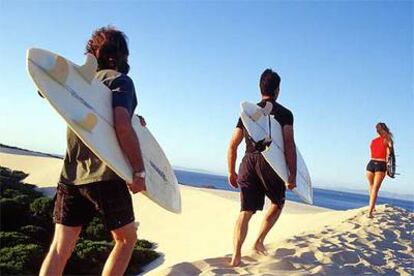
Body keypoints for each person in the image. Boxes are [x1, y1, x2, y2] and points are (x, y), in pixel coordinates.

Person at [40, 26, 146, 276]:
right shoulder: (120, 81)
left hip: (71, 176)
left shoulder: (78, 84)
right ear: (121, 56)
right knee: (125, 240)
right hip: (105, 175)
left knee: (59, 248)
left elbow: (100, 120)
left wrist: (136, 121)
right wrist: (139, 171)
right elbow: (120, 123)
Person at [227, 69, 297, 267]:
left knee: (245, 210)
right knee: (278, 202)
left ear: (261, 89)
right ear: (277, 90)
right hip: (270, 164)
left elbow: (233, 144)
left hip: (248, 162)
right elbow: (289, 143)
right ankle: (258, 241)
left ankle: (236, 256)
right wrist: (291, 173)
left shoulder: (247, 113)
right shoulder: (284, 114)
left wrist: (231, 171)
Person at [366, 122, 393, 218]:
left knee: (371, 186)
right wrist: (390, 170)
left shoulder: (373, 141)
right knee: (375, 189)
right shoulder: (388, 140)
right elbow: (389, 155)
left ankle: (372, 208)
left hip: (370, 164)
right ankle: (370, 211)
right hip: (381, 165)